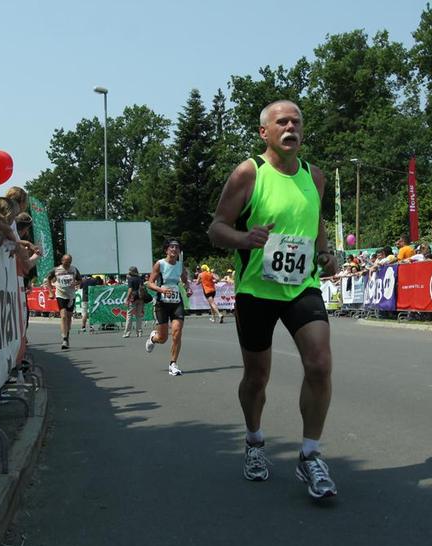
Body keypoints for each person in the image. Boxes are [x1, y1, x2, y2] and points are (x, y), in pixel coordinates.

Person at [208, 99, 340, 499]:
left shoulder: (314, 176)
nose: (290, 127)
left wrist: (325, 252)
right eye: (282, 122)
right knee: (257, 378)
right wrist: (244, 238)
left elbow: (315, 220)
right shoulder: (249, 173)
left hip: (302, 286)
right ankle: (254, 441)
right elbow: (216, 228)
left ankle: (310, 455)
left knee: (320, 363)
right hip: (256, 290)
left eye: (296, 122)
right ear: (264, 132)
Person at [144, 239, 191, 375]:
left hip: (176, 303)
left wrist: (188, 288)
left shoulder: (180, 266)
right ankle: (153, 338)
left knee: (177, 332)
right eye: (171, 247)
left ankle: (173, 364)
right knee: (163, 338)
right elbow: (149, 283)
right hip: (162, 304)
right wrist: (161, 290)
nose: (174, 249)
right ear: (166, 250)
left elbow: (185, 281)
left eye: (177, 247)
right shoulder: (160, 264)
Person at [53, 255, 80, 349]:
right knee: (63, 316)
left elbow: (80, 280)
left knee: (68, 317)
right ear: (62, 261)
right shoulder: (56, 270)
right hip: (60, 295)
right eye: (66, 261)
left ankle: (67, 334)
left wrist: (75, 283)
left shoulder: (74, 269)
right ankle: (64, 339)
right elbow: (48, 279)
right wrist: (50, 291)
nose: (68, 263)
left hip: (71, 296)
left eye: (70, 261)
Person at [123, 266, 145, 338]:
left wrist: (127, 299)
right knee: (139, 316)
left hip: (133, 298)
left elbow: (130, 289)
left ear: (131, 272)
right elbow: (142, 288)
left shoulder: (130, 279)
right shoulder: (140, 279)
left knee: (129, 315)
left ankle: (127, 333)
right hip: (140, 298)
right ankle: (139, 332)